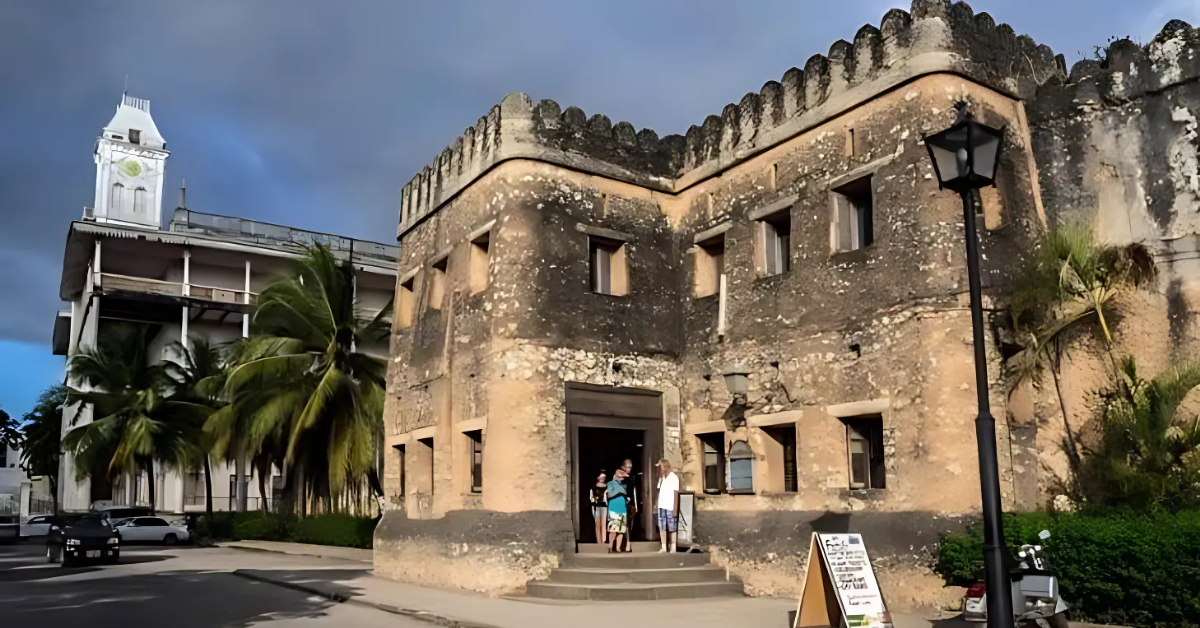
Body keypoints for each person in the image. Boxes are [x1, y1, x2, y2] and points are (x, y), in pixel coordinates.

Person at [655, 459, 680, 553]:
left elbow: (676, 493)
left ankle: (673, 546)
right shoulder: (662, 478)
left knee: (672, 527)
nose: (659, 469)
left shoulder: (673, 478)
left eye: (660, 467)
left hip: (670, 505)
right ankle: (664, 546)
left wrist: (675, 508)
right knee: (662, 527)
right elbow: (659, 491)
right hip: (662, 505)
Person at [605, 468, 628, 553]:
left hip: (622, 510)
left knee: (621, 531)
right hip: (613, 510)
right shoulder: (610, 484)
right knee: (613, 530)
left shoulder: (624, 485)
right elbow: (610, 494)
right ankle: (610, 546)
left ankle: (618, 548)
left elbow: (625, 493)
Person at [619, 458, 638, 552]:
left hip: (630, 503)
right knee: (621, 523)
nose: (629, 469)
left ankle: (628, 544)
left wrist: (636, 504)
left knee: (629, 524)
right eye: (628, 467)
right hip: (621, 502)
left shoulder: (632, 478)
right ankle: (620, 544)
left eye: (631, 467)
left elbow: (634, 491)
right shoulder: (620, 477)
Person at [589, 469, 608, 545]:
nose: (602, 479)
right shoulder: (593, 487)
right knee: (597, 523)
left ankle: (603, 540)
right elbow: (591, 497)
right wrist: (593, 500)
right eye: (601, 477)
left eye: (604, 478)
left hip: (604, 506)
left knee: (604, 523)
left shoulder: (607, 487)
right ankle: (598, 541)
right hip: (596, 507)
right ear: (598, 478)